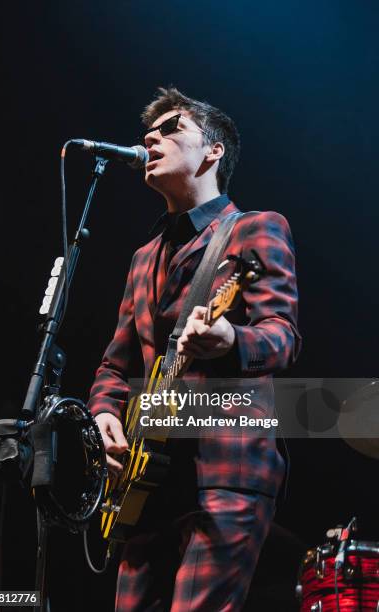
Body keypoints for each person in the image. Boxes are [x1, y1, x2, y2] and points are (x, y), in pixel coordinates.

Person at [88, 87, 301, 611]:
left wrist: (230, 340)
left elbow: (282, 335)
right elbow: (114, 366)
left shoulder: (255, 228)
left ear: (213, 151)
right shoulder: (142, 259)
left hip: (225, 473)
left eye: (171, 129)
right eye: (149, 133)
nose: (151, 138)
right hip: (147, 479)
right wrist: (102, 415)